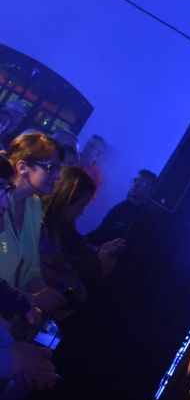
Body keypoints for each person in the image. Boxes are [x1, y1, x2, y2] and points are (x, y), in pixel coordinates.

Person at [0, 134, 65, 319]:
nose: (58, 176)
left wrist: (46, 299)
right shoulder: (1, 203)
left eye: (59, 169)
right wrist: (30, 301)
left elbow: (31, 265)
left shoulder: (34, 205)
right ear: (23, 167)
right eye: (51, 168)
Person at [41, 166, 122, 301]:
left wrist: (100, 251)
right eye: (81, 205)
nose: (82, 212)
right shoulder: (42, 221)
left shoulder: (64, 223)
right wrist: (97, 264)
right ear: (67, 198)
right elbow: (56, 260)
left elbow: (77, 244)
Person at [86, 168, 157, 247]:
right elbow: (99, 231)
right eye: (135, 180)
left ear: (151, 190)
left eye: (143, 183)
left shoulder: (144, 216)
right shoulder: (122, 206)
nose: (136, 185)